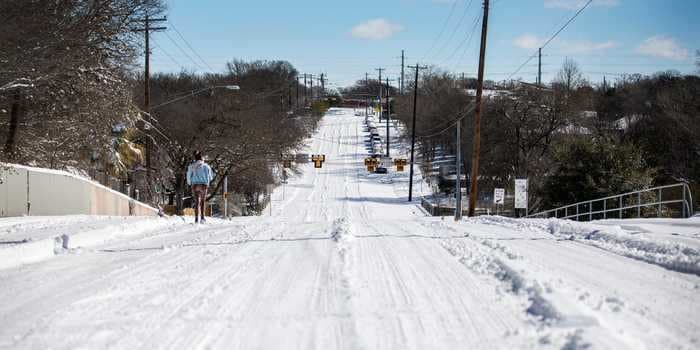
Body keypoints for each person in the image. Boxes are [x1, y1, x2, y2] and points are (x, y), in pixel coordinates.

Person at [186, 151, 213, 223]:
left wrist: (189, 183)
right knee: (203, 202)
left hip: (195, 185)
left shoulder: (191, 166)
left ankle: (196, 219)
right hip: (204, 185)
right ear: (202, 158)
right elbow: (210, 177)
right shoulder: (206, 166)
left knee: (197, 202)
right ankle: (202, 218)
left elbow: (188, 175)